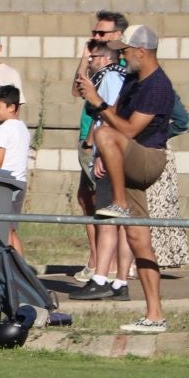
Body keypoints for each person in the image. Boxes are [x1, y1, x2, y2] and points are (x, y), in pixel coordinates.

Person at [79, 24, 172, 333]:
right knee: (138, 239)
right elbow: (116, 114)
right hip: (128, 159)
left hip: (148, 159)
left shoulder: (157, 85)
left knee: (104, 131)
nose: (121, 56)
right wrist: (107, 154)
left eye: (125, 51)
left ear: (142, 52)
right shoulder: (132, 80)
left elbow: (128, 129)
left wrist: (97, 102)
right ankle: (155, 315)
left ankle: (118, 202)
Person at [72, 36, 132, 300]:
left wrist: (100, 154)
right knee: (118, 219)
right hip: (115, 152)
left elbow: (108, 115)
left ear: (106, 58)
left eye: (94, 58)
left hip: (111, 155)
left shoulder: (108, 78)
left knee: (109, 218)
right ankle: (119, 282)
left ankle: (102, 279)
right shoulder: (118, 75)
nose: (91, 61)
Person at [0, 84, 31, 256]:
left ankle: (13, 268)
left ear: (12, 107)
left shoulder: (3, 129)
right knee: (10, 229)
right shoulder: (22, 128)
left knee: (3, 230)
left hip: (5, 185)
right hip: (20, 183)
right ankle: (20, 269)